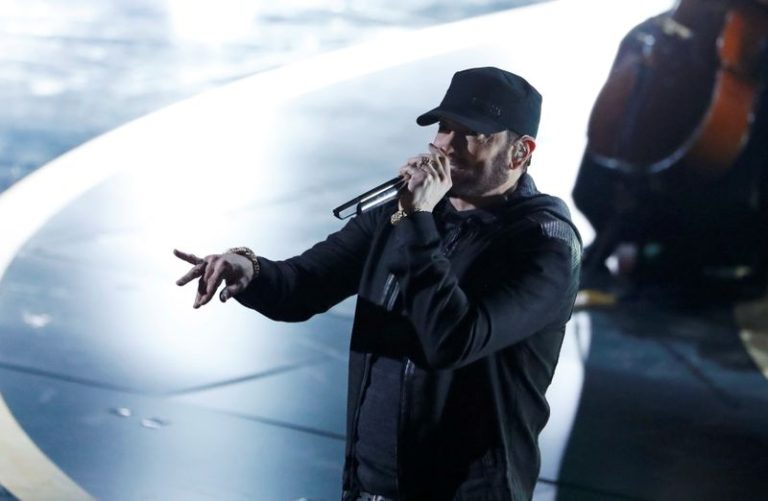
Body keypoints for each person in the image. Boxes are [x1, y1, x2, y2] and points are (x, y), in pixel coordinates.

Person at [175, 67, 582, 500]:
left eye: (472, 134)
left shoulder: (544, 244)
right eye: (444, 127)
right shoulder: (403, 213)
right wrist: (250, 270)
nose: (446, 144)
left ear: (519, 152)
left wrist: (417, 218)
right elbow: (304, 285)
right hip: (370, 486)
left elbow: (450, 340)